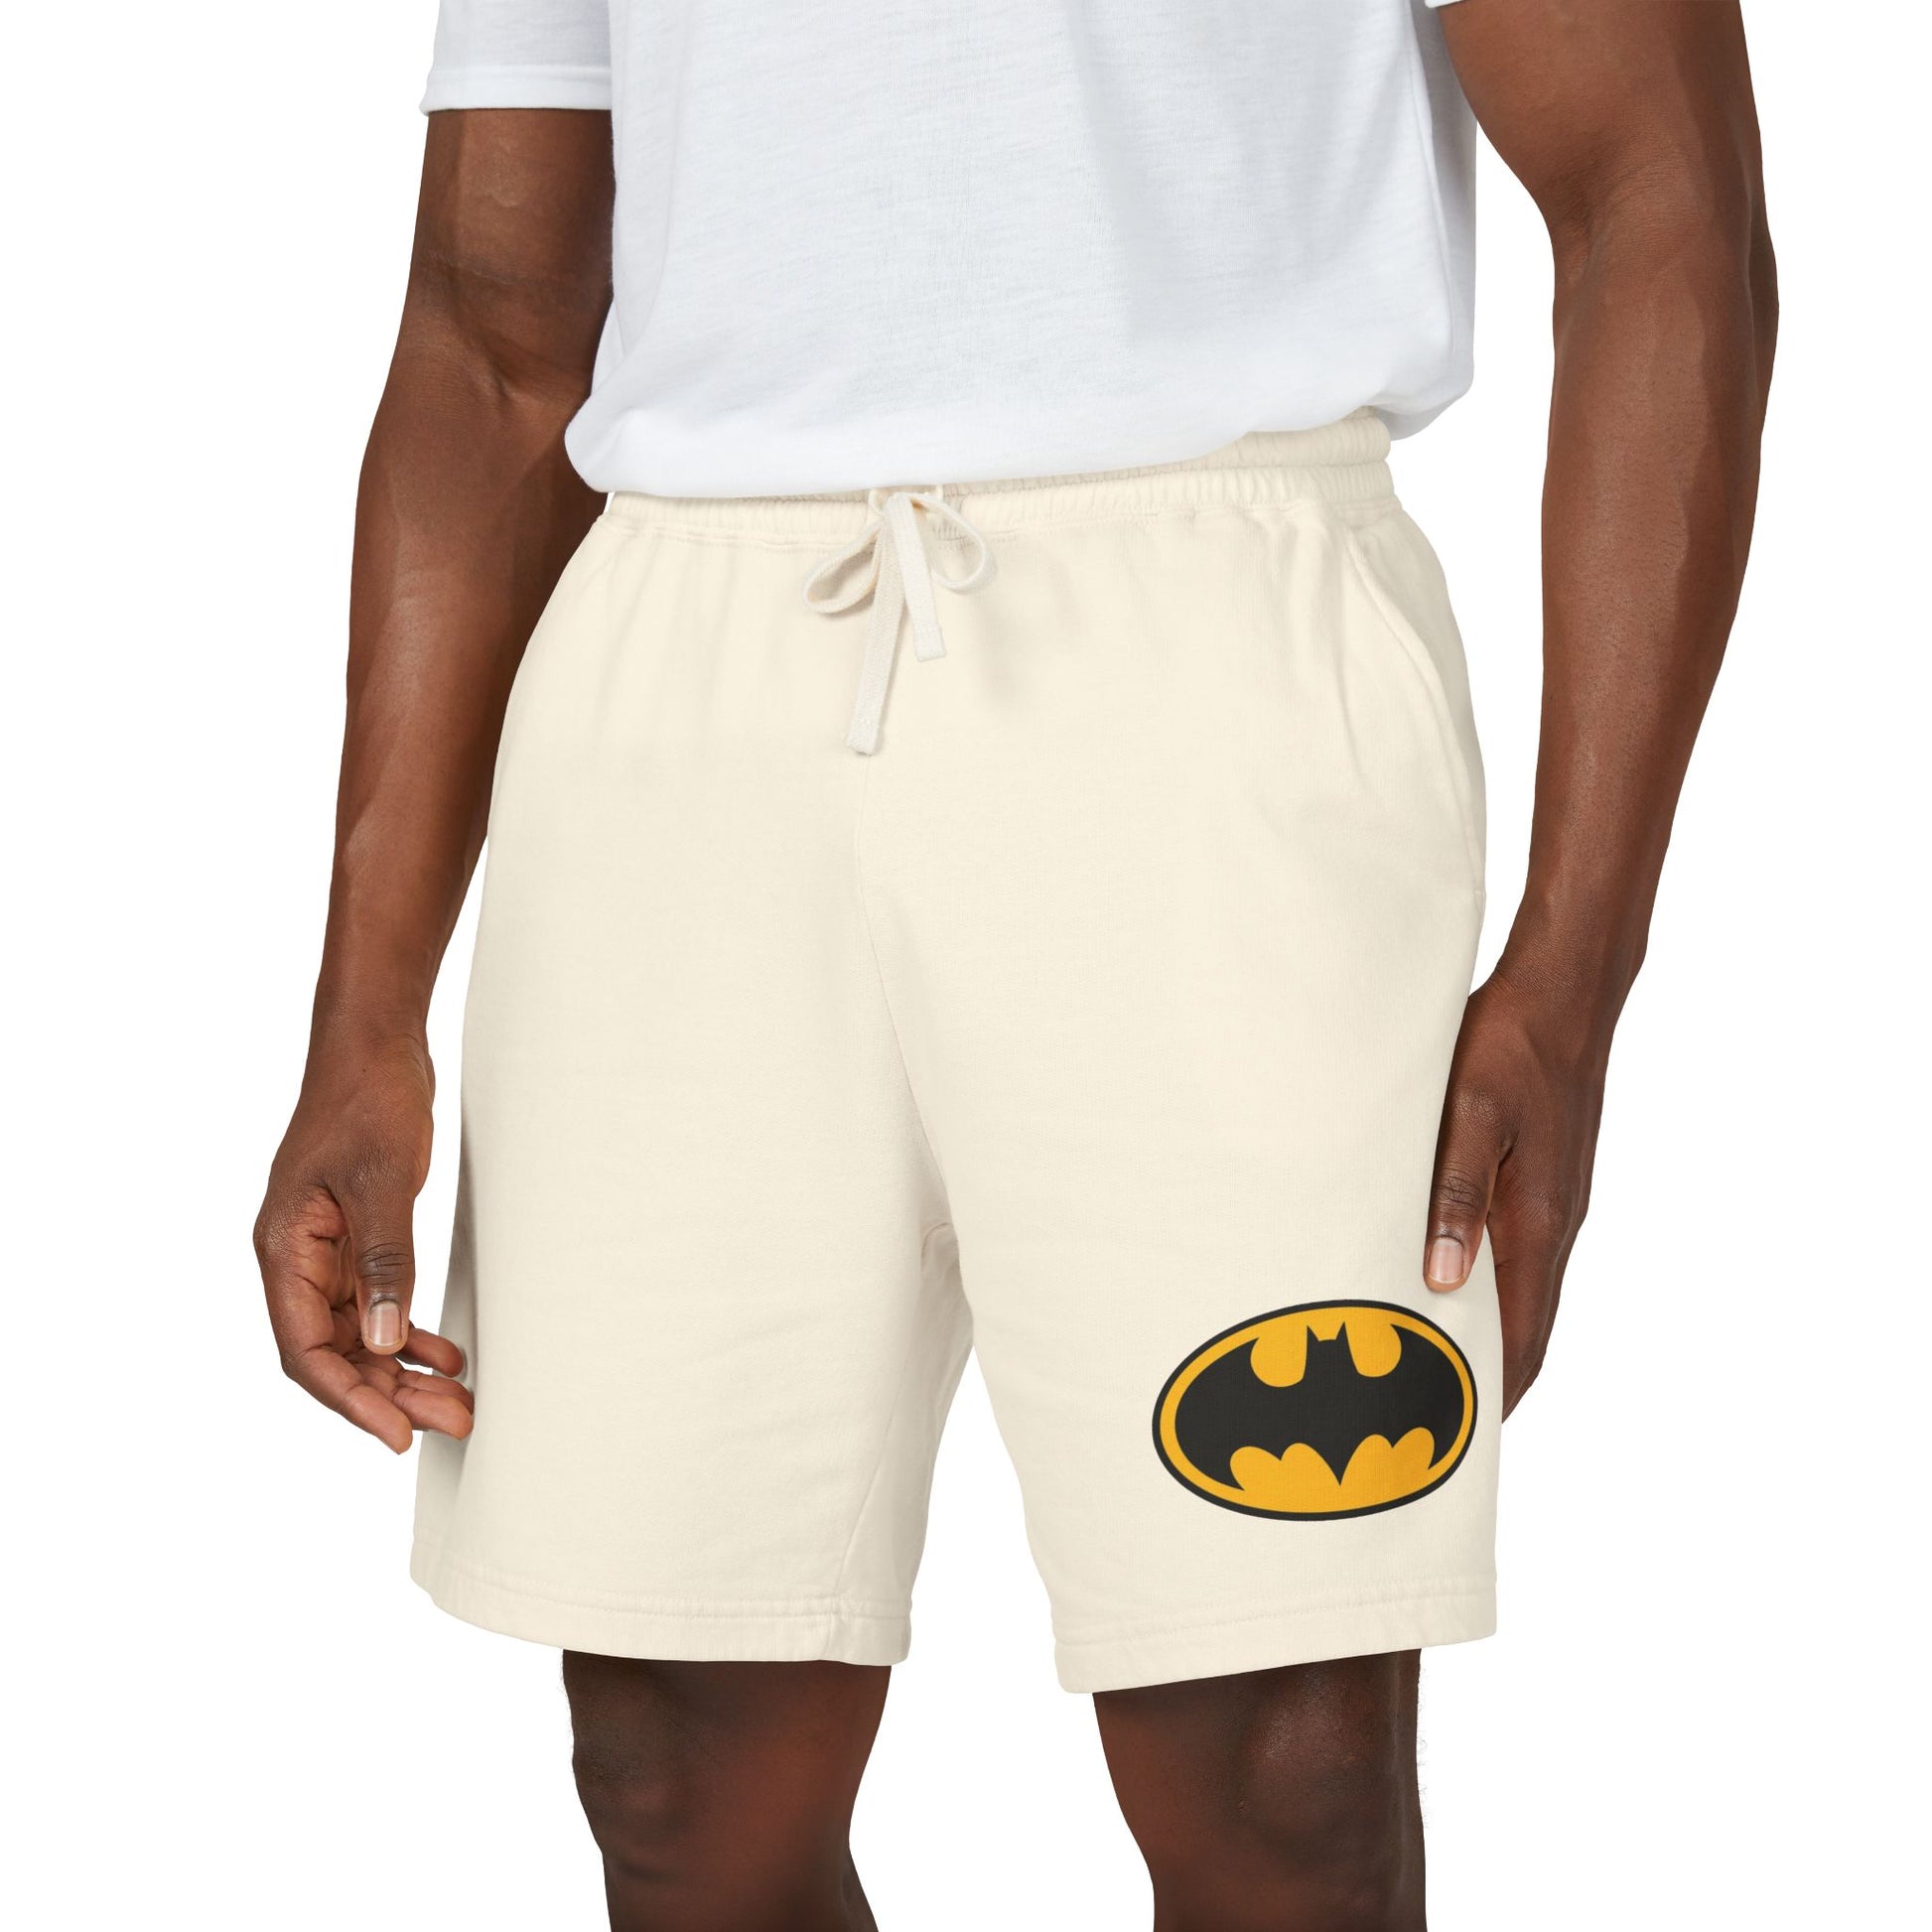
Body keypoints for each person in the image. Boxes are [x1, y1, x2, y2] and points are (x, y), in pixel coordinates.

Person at [254, 2, 1774, 1925]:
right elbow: (494, 334)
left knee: (1279, 1759)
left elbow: (1660, 203)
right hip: (677, 686)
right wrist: (363, 1010)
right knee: (674, 1758)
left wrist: (1574, 969)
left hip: (1216, 668)